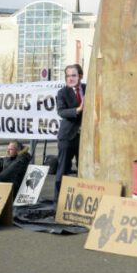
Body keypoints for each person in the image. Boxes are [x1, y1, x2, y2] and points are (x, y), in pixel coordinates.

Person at [55, 64, 85, 199]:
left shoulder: (88, 88)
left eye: (73, 75)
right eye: (68, 76)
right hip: (67, 137)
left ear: (80, 76)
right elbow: (61, 111)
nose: (70, 78)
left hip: (85, 139)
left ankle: (81, 199)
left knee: (83, 170)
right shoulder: (62, 93)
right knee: (63, 170)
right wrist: (78, 109)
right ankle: (58, 201)